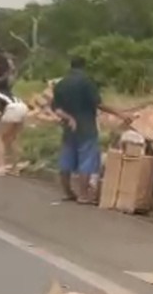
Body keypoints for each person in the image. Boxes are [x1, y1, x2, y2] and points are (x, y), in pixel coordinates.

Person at [51, 56, 127, 204]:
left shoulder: (60, 84)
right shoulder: (86, 82)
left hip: (68, 127)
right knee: (86, 160)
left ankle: (68, 192)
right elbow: (98, 104)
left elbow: (56, 108)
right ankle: (83, 195)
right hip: (86, 125)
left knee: (66, 159)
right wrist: (120, 114)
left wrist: (69, 118)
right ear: (83, 67)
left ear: (70, 66)